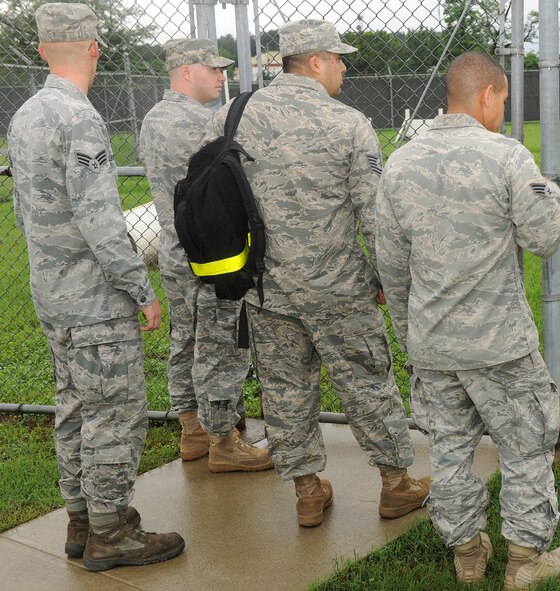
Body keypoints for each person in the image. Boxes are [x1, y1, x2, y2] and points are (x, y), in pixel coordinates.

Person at [201, 19, 429, 528]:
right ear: (317, 62)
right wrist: (388, 280)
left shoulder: (233, 117)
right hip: (339, 288)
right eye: (340, 58)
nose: (345, 68)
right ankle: (396, 485)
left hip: (266, 288)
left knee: (286, 391)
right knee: (367, 383)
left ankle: (306, 492)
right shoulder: (348, 123)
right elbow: (373, 216)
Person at [376, 51, 560, 590]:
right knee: (526, 448)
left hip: (434, 345)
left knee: (448, 452)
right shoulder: (507, 157)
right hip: (501, 346)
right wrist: (551, 193)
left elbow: (392, 269)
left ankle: (467, 554)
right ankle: (523, 561)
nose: (503, 112)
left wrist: (411, 334)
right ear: (488, 94)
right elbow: (547, 237)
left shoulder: (399, 164)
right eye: (504, 101)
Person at [8, 3, 183, 571]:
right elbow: (102, 219)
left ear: (40, 50)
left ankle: (82, 522)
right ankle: (111, 533)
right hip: (93, 300)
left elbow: (22, 211)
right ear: (94, 48)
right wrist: (139, 288)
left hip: (51, 292)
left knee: (74, 407)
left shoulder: (26, 115)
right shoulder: (78, 117)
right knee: (114, 410)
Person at [139, 38, 271, 473]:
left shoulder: (155, 118)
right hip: (212, 256)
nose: (221, 77)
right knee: (220, 345)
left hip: (177, 254)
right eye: (212, 69)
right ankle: (223, 440)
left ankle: (193, 431)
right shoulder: (197, 121)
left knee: (187, 340)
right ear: (185, 71)